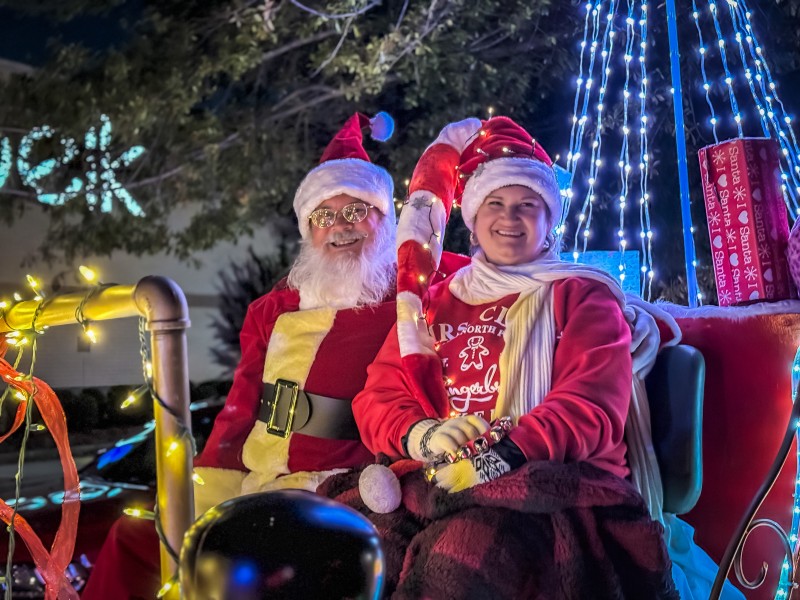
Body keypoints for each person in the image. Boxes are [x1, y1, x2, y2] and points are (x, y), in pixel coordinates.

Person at [319, 116, 679, 598]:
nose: (509, 218)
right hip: (434, 479)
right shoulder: (433, 302)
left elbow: (590, 408)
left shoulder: (582, 297)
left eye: (527, 205)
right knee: (345, 554)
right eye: (495, 203)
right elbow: (377, 398)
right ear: (472, 216)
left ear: (549, 221)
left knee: (462, 558)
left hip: (550, 483)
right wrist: (423, 435)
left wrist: (500, 455)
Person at [82, 111, 405, 600]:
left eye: (356, 210)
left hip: (337, 488)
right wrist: (206, 484)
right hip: (255, 478)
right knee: (138, 538)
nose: (339, 226)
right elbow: (238, 409)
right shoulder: (271, 309)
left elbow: (488, 280)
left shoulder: (412, 295)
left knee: (238, 564)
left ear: (385, 220)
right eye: (323, 215)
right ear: (307, 231)